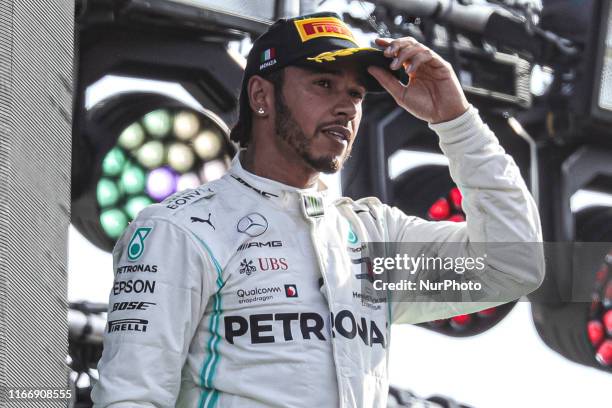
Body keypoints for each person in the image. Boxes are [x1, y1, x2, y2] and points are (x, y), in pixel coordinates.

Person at [92, 11, 544, 408]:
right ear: (261, 96)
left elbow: (512, 265)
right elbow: (131, 397)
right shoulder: (180, 229)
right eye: (324, 84)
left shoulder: (371, 238)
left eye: (356, 94)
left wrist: (456, 121)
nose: (346, 107)